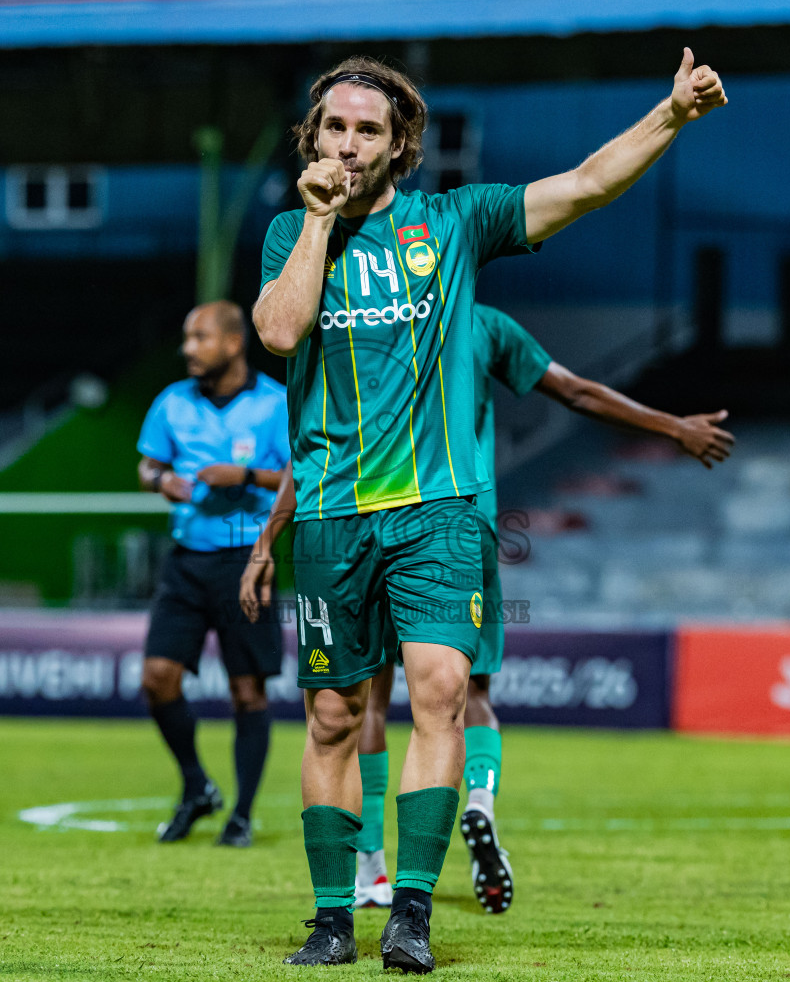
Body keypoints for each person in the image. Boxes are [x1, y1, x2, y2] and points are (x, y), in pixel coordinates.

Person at [254, 51, 726, 971]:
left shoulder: (455, 224)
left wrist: (670, 115)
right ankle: (329, 916)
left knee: (438, 690)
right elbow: (277, 332)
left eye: (368, 132)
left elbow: (586, 184)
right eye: (335, 128)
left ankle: (413, 913)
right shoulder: (288, 235)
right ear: (313, 139)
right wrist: (316, 217)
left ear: (403, 152)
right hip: (326, 510)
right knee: (333, 716)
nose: (349, 145)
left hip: (438, 508)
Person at [242, 303, 734, 914]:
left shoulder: (357, 322)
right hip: (458, 528)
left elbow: (313, 443)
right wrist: (672, 427)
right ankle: (479, 800)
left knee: (362, 699)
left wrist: (266, 543)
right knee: (465, 695)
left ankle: (370, 870)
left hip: (358, 525)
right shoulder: (484, 326)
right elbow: (574, 390)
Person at [137, 301, 290, 847]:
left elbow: (303, 476)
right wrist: (160, 483)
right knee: (157, 679)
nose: (188, 348)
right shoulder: (172, 403)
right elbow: (147, 464)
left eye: (199, 337)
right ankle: (197, 784)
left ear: (232, 342)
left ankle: (242, 814)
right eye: (186, 337)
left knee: (247, 691)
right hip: (185, 559)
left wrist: (244, 475)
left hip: (244, 558)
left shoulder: (276, 403)